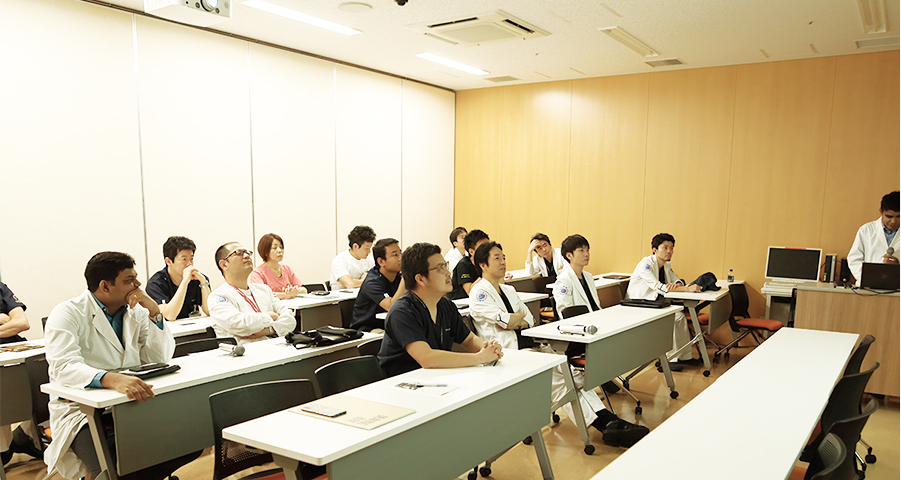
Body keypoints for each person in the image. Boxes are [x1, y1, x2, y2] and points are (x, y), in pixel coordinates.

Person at [469, 242, 649, 447]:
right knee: (563, 382)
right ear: (483, 265)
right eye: (497, 258)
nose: (503, 262)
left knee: (573, 373)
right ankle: (604, 423)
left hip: (532, 346)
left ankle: (607, 420)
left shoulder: (508, 290)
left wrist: (516, 318)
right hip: (509, 353)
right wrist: (515, 318)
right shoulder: (479, 292)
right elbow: (507, 321)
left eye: (503, 257)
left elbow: (529, 318)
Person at [43, 252, 198, 480]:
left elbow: (160, 357)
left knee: (189, 442)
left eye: (136, 278)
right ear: (105, 286)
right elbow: (63, 366)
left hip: (132, 403)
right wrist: (110, 379)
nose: (138, 285)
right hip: (84, 414)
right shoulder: (67, 313)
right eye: (129, 280)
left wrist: (155, 313)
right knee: (111, 471)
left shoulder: (136, 310)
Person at [378, 242, 503, 377]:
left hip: (436, 377)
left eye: (446, 266)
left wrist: (488, 347)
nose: (448, 273)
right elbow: (427, 358)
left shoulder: (445, 305)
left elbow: (469, 339)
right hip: (401, 383)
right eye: (440, 268)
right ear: (420, 279)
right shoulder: (402, 312)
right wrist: (480, 358)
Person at [626, 233, 701, 371]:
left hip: (655, 304)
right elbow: (658, 287)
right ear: (655, 249)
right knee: (672, 318)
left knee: (680, 317)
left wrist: (677, 284)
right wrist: (686, 289)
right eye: (665, 247)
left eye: (671, 248)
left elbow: (676, 280)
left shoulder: (666, 265)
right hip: (639, 304)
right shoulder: (646, 264)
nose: (669, 251)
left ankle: (685, 356)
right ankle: (669, 359)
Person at [208, 243, 296, 344]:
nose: (246, 256)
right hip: (245, 354)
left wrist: (270, 330)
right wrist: (270, 316)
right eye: (239, 253)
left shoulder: (264, 289)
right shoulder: (218, 296)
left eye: (248, 252)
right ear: (224, 264)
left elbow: (290, 320)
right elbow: (241, 325)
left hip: (275, 348)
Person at [0, 282, 42, 466]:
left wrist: (7, 319)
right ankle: (4, 448)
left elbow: (22, 323)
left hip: (16, 349)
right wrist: (5, 320)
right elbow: (13, 322)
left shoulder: (0, 288)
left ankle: (25, 436)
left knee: (44, 371)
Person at [146, 236, 211, 321]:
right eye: (184, 259)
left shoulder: (198, 279)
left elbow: (210, 311)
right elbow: (169, 316)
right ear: (168, 261)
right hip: (168, 332)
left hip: (193, 329)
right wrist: (184, 282)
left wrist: (203, 282)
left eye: (191, 258)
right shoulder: (155, 284)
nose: (189, 264)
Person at [350, 238, 406, 333]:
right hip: (368, 329)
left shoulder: (398, 278)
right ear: (381, 262)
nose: (400, 258)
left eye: (400, 253)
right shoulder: (372, 282)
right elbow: (391, 306)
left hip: (390, 324)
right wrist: (406, 278)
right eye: (395, 255)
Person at [848, 191, 900, 285]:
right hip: (869, 287)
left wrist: (897, 268)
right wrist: (870, 277)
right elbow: (854, 260)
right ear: (881, 212)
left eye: (899, 217)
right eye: (889, 216)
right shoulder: (866, 230)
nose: (893, 221)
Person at [553, 234, 603, 318]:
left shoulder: (588, 276)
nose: (586, 254)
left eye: (587, 250)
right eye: (581, 251)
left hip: (596, 317)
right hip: (581, 323)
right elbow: (565, 313)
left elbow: (595, 305)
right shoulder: (564, 281)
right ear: (569, 256)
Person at [250, 233, 307, 299]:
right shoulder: (257, 272)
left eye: (281, 247)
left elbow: (304, 290)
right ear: (265, 252)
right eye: (274, 248)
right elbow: (262, 295)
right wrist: (286, 294)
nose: (280, 251)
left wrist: (295, 290)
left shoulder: (286, 269)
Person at [449, 229, 490, 300]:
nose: (488, 251)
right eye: (483, 248)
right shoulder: (463, 265)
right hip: (460, 303)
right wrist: (488, 275)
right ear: (471, 252)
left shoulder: (488, 262)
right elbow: (470, 291)